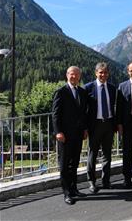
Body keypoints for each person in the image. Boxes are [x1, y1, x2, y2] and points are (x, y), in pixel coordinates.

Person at [52, 66, 88, 205]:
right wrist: (58, 132)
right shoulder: (61, 92)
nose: (74, 77)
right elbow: (55, 114)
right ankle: (66, 193)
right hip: (65, 135)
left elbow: (83, 113)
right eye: (72, 74)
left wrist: (85, 129)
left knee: (75, 163)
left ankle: (74, 189)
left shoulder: (82, 92)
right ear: (67, 75)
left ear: (79, 77)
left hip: (78, 134)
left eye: (77, 75)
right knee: (64, 165)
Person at [84, 62, 117, 193]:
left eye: (105, 72)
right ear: (96, 73)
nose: (103, 75)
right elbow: (84, 109)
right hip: (94, 125)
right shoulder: (88, 88)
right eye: (100, 72)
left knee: (107, 154)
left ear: (108, 74)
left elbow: (115, 107)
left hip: (108, 124)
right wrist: (85, 128)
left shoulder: (112, 88)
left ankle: (106, 181)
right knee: (92, 154)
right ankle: (91, 182)